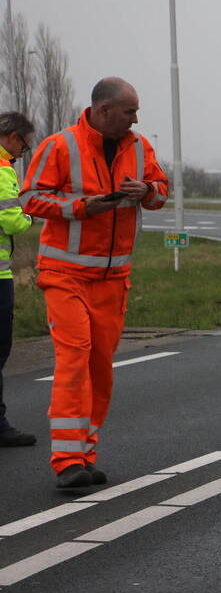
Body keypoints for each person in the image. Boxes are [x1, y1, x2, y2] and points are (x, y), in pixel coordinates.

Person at [21, 77, 168, 488]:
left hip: (113, 280)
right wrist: (84, 207)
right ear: (104, 111)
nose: (135, 120)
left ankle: (85, 452)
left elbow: (161, 192)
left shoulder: (139, 148)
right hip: (65, 275)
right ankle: (67, 461)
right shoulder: (60, 146)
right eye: (129, 112)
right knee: (75, 357)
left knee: (99, 367)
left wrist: (146, 191)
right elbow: (31, 197)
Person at [0, 112, 36, 447]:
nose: (23, 153)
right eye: (23, 145)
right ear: (12, 137)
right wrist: (31, 215)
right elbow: (12, 223)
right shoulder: (2, 170)